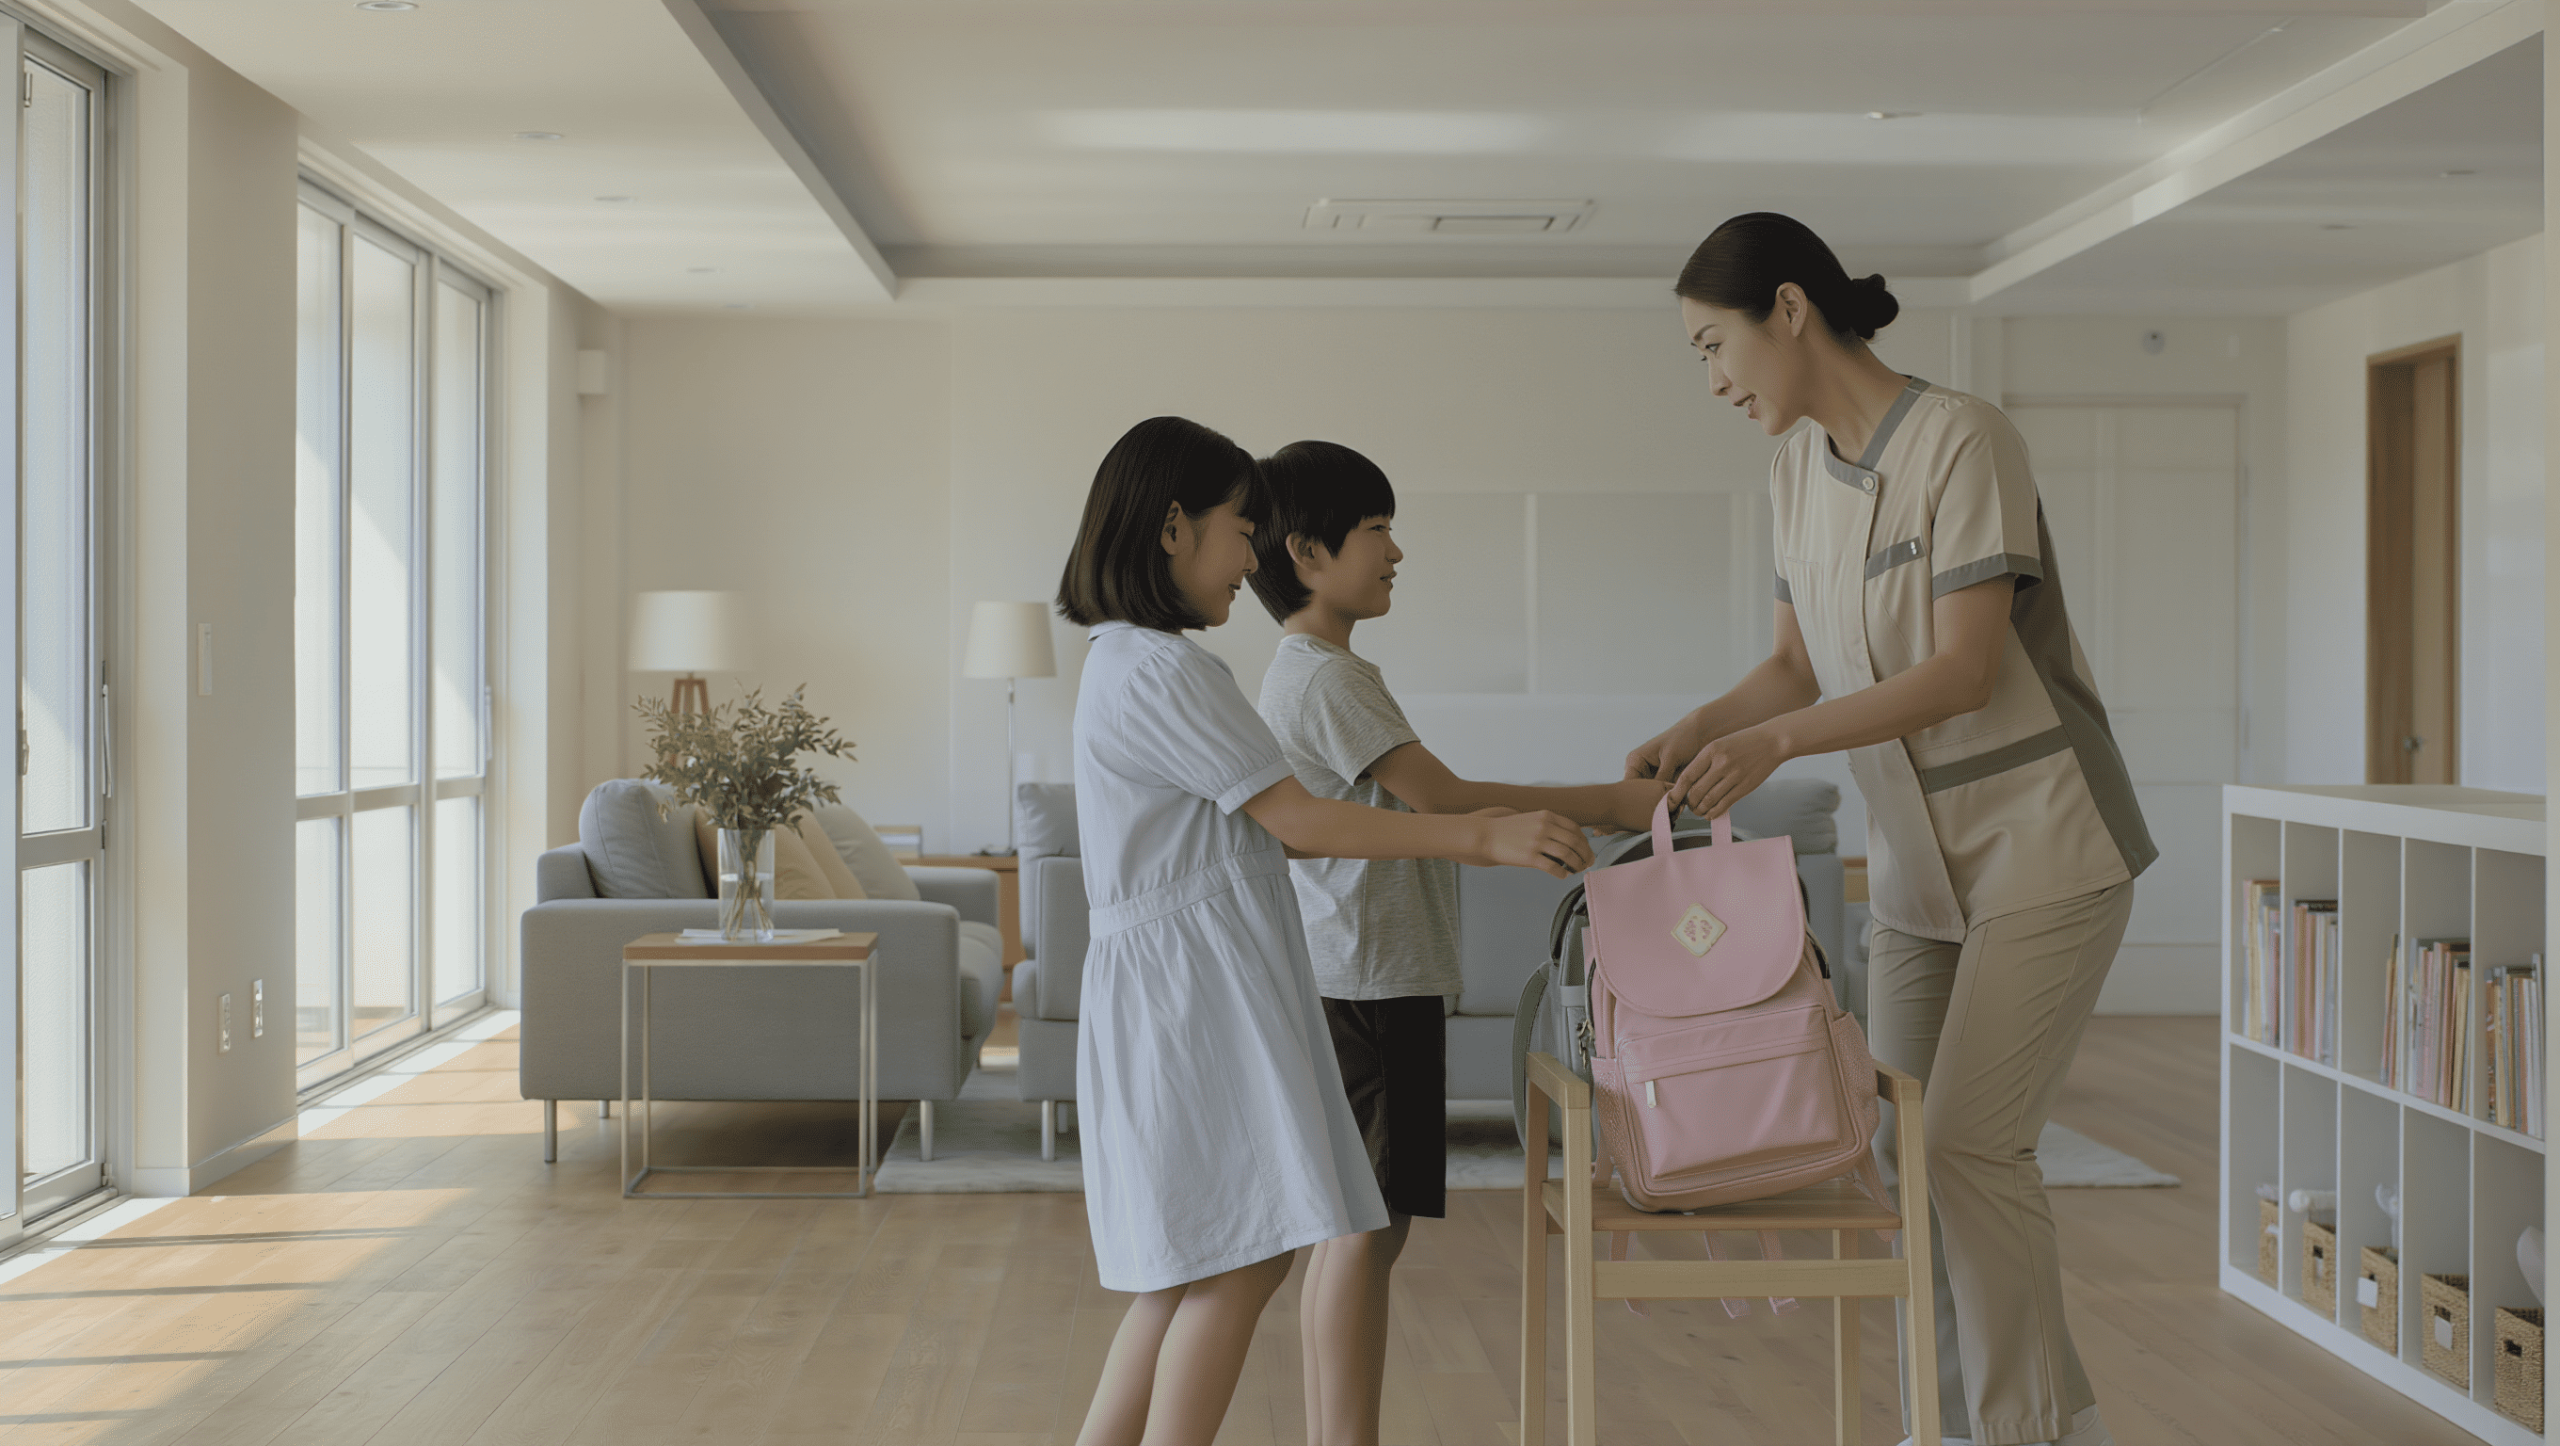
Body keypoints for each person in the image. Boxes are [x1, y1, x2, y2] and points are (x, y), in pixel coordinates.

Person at [1624, 213, 2154, 1446]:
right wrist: (1701, 726)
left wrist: (1778, 745)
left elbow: (1964, 669)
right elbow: (1792, 666)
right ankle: (1961, 1422)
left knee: (1972, 1146)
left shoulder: (1966, 439)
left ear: (1790, 311)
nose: (1711, 380)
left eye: (1714, 346)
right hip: (1920, 874)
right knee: (1909, 1164)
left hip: (2045, 846)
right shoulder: (1792, 469)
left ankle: (2018, 1432)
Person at [1055, 416, 1596, 1446]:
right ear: (1173, 528)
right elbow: (1299, 823)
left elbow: (1286, 831)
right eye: (1238, 529)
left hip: (1172, 985)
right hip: (1194, 993)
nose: (1250, 558)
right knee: (1243, 1251)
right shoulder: (1167, 670)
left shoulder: (1122, 662)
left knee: (1184, 1265)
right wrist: (1480, 838)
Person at [1247, 440, 1669, 1446]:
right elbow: (1439, 798)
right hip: (1368, 982)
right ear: (1308, 552)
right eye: (1377, 529)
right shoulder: (1324, 678)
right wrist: (1609, 801)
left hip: (1369, 977)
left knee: (1361, 1232)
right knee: (1364, 1230)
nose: (1397, 550)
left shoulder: (1323, 672)